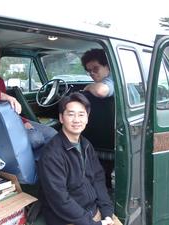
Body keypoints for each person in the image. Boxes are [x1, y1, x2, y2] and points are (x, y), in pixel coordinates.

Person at [38, 92, 122, 225]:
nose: (76, 120)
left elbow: (98, 179)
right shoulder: (51, 155)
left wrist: (107, 212)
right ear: (61, 118)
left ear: (87, 118)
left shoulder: (86, 144)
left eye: (81, 114)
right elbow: (60, 200)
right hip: (67, 219)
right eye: (70, 114)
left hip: (93, 211)